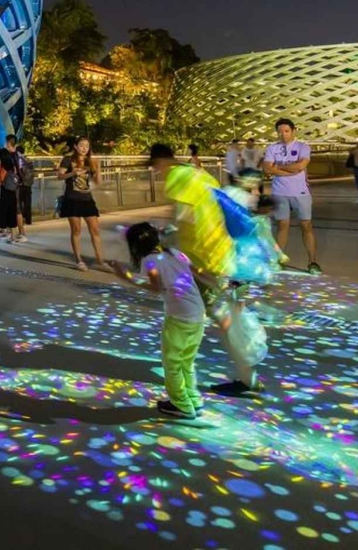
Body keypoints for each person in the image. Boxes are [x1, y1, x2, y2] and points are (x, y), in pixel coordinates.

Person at [148, 144, 262, 397]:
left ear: (160, 162)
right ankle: (246, 373)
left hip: (205, 261)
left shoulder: (177, 177)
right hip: (220, 252)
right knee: (218, 314)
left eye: (156, 167)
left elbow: (183, 217)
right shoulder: (198, 172)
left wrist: (165, 238)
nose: (158, 173)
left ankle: (244, 376)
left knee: (214, 316)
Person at [112, 221, 205, 419]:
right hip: (198, 314)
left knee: (171, 364)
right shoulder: (175, 253)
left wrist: (126, 277)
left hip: (179, 317)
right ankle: (193, 398)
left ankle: (181, 404)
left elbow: (155, 288)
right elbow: (198, 272)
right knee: (187, 361)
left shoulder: (150, 260)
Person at [262, 119, 318, 273]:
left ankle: (312, 262)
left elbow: (301, 166)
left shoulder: (303, 147)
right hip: (279, 192)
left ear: (293, 131)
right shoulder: (272, 148)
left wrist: (278, 166)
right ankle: (279, 260)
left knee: (306, 225)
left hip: (301, 192)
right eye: (280, 131)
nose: (283, 134)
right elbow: (267, 169)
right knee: (282, 226)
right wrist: (289, 170)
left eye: (286, 131)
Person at [59, 137, 104, 270]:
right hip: (72, 199)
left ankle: (100, 261)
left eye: (87, 146)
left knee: (95, 229)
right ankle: (79, 260)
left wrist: (98, 167)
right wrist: (72, 173)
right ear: (75, 146)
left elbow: (98, 182)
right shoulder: (68, 159)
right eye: (82, 145)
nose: (84, 148)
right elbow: (59, 176)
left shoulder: (90, 161)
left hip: (87, 199)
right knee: (76, 230)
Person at [10, 136, 35, 230]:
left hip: (21, 184)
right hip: (29, 184)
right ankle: (28, 219)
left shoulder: (20, 160)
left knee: (19, 203)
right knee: (28, 202)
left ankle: (22, 220)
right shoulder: (29, 160)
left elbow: (19, 171)